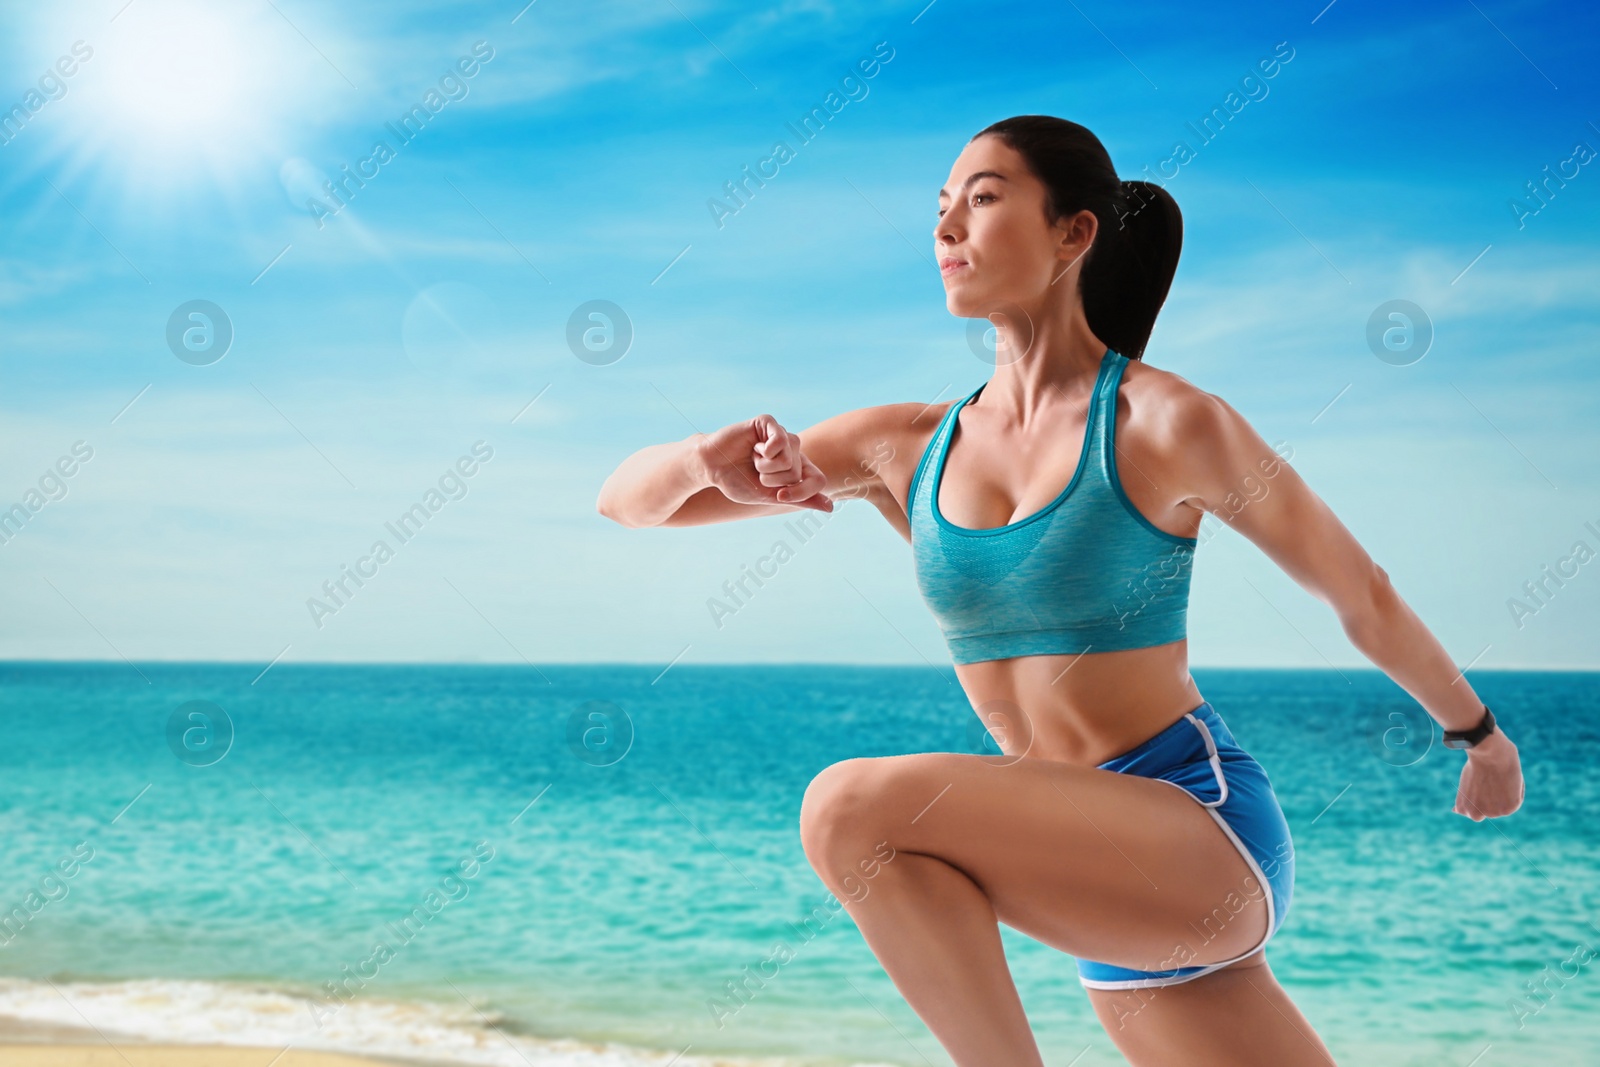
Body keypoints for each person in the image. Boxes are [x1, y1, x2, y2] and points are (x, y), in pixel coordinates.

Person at [594, 115, 1525, 1066]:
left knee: (849, 809)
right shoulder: (905, 443)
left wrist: (1479, 735)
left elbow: (1358, 590)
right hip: (1094, 876)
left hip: (1196, 832)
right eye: (942, 207)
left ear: (1074, 234)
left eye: (985, 198)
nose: (948, 226)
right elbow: (627, 505)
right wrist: (698, 457)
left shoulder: (1164, 422)